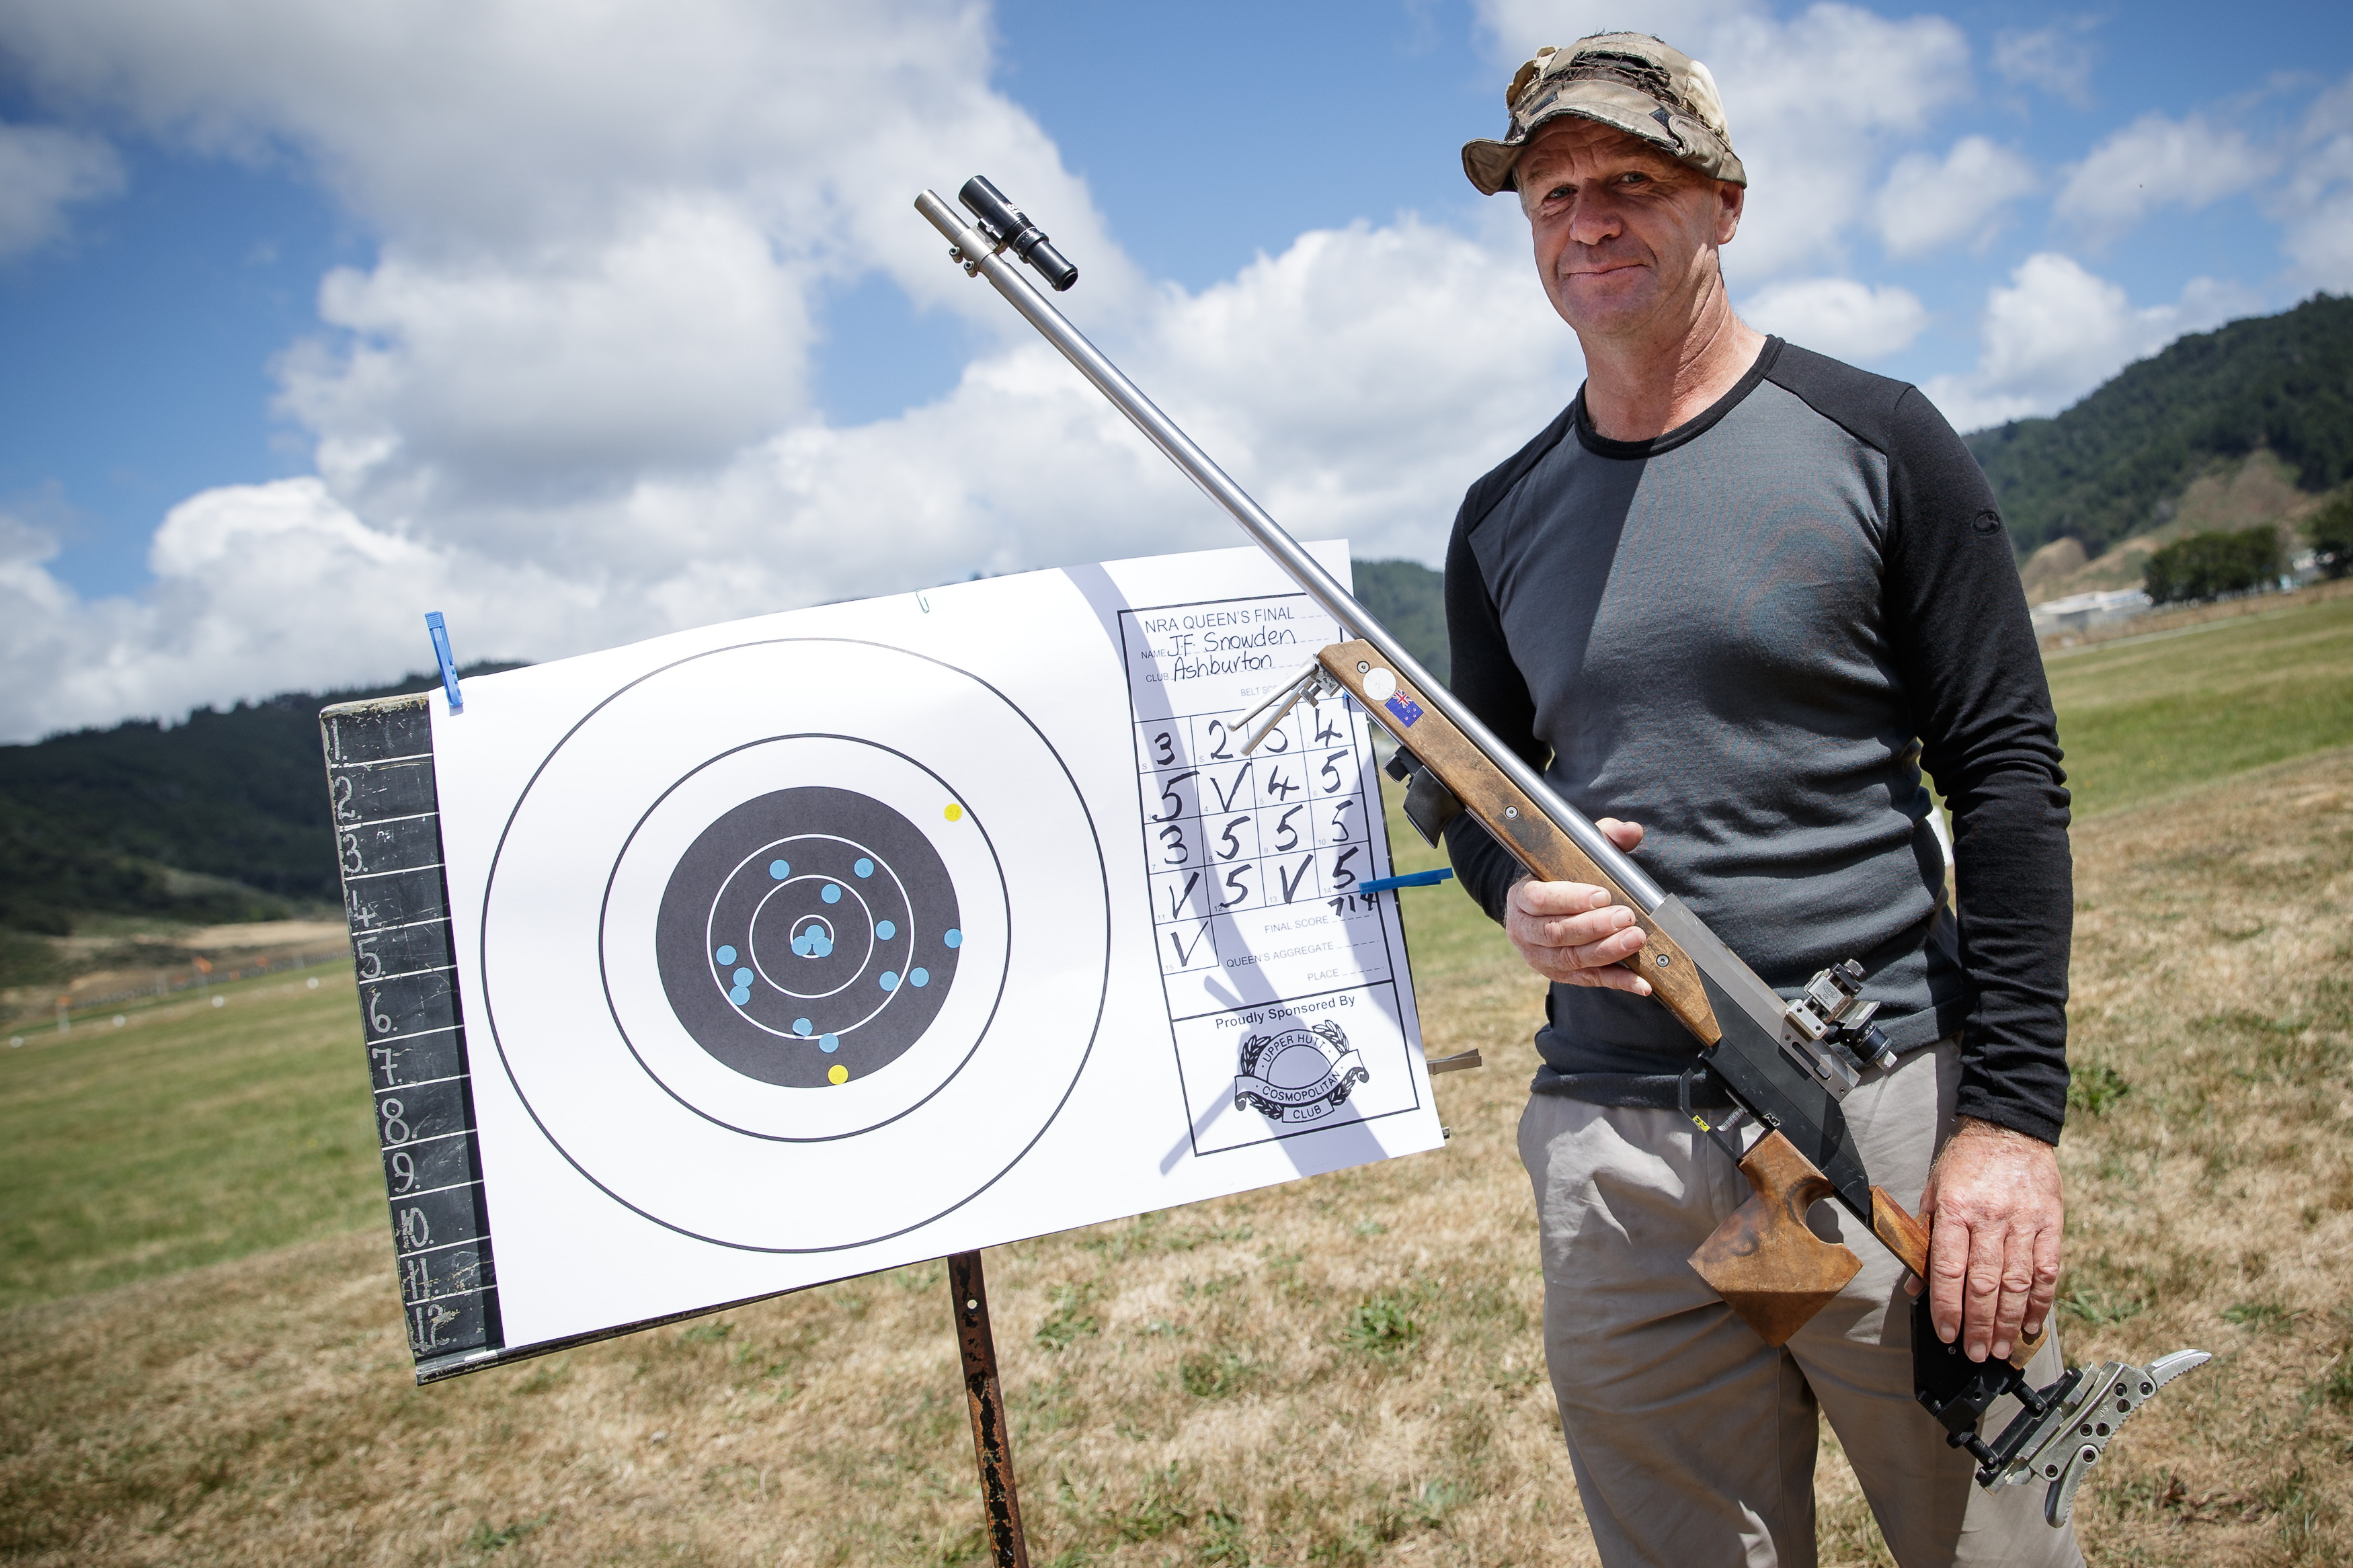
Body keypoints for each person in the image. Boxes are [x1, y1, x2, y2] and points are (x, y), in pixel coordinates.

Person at [1443, 34, 2080, 1567]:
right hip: (1615, 1151)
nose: (1586, 220)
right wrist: (1515, 896)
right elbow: (1468, 793)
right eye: (1550, 193)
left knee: (1988, 1543)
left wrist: (2008, 1124)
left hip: (1873, 1112)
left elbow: (2006, 779)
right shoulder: (1496, 520)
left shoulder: (1879, 441)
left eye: (1631, 180)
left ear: (1723, 203)